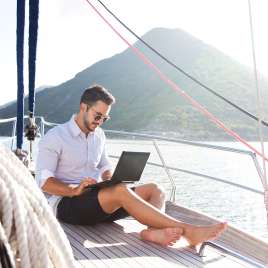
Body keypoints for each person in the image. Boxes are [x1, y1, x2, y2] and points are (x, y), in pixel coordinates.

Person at [36, 84, 227, 247]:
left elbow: (103, 166)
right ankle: (189, 232)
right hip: (67, 205)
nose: (100, 122)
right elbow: (43, 182)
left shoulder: (99, 136)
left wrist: (111, 178)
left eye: (104, 118)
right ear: (83, 107)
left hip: (98, 201)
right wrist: (74, 190)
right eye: (97, 115)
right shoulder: (55, 137)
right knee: (120, 191)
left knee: (155, 190)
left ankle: (152, 232)